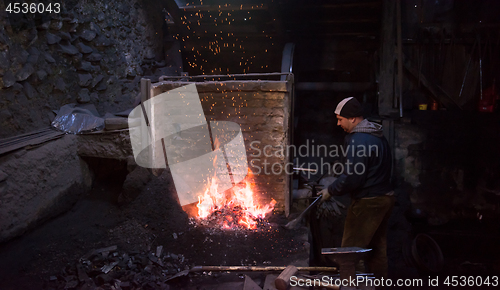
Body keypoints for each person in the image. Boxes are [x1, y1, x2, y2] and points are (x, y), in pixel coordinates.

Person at [319, 96, 395, 280]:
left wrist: (331, 190)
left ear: (352, 118)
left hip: (368, 202)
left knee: (349, 254)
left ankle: (351, 285)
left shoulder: (359, 139)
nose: (338, 124)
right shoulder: (376, 135)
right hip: (385, 198)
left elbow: (353, 177)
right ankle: (379, 284)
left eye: (340, 119)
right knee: (377, 248)